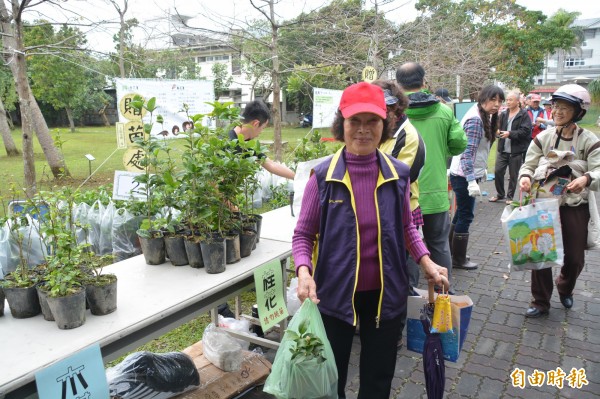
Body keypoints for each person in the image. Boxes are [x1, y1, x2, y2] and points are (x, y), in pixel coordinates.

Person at [293, 82, 448, 399]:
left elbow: (406, 227)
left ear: (386, 124)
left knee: (378, 381)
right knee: (330, 380)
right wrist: (304, 272)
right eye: (355, 122)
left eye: (372, 121)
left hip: (386, 293)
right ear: (342, 124)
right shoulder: (323, 177)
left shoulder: (398, 174)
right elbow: (303, 234)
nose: (363, 130)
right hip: (334, 294)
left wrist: (427, 261)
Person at [518, 84, 600, 318]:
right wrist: (525, 177)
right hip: (544, 204)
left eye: (565, 108)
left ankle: (565, 286)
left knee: (574, 258)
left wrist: (585, 178)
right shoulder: (543, 138)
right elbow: (529, 165)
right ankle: (540, 301)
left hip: (574, 205)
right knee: (540, 253)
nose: (558, 112)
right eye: (555, 107)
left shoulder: (589, 140)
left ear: (578, 112)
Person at [396, 62, 467, 287]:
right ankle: (443, 294)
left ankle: (409, 299)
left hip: (403, 195)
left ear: (398, 85)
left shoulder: (394, 112)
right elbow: (458, 144)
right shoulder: (444, 111)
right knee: (438, 244)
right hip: (436, 193)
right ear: (424, 82)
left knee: (407, 246)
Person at [373, 79, 426, 291]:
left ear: (398, 107)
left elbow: (391, 181)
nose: (384, 113)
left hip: (400, 210)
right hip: (379, 209)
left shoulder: (406, 136)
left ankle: (405, 307)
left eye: (389, 107)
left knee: (400, 268)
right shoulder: (381, 131)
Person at [449, 85, 505, 270]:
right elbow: (467, 153)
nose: (497, 104)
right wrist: (471, 181)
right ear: (483, 99)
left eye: (500, 100)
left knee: (460, 213)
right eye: (493, 100)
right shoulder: (475, 120)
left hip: (466, 173)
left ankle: (451, 252)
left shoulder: (483, 115)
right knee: (466, 214)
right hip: (464, 175)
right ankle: (458, 258)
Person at [228, 100, 295, 180]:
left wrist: (297, 177)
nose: (261, 132)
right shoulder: (226, 142)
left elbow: (271, 164)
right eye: (262, 128)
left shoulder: (246, 145)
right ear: (255, 124)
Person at [489, 90, 532, 204]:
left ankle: (510, 197)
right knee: (498, 172)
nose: (508, 102)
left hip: (516, 150)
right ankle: (500, 194)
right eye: (507, 100)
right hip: (502, 149)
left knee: (513, 175)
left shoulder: (524, 115)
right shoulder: (503, 114)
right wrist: (497, 131)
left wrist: (510, 134)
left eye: (510, 100)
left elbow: (526, 131)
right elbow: (496, 126)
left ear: (518, 101)